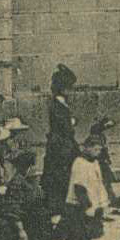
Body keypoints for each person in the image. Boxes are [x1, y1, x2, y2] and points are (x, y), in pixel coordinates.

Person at [63, 134, 108, 240]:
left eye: (99, 150)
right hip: (81, 204)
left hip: (94, 201)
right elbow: (79, 186)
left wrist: (101, 200)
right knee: (81, 232)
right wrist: (87, 206)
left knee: (91, 231)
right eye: (95, 149)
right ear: (87, 148)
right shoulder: (80, 163)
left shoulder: (94, 162)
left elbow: (98, 181)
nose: (98, 152)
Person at [40, 66, 78, 216]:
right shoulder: (57, 104)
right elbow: (64, 125)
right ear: (62, 88)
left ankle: (62, 203)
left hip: (62, 142)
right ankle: (56, 205)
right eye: (69, 88)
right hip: (60, 144)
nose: (71, 91)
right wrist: (72, 122)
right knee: (59, 173)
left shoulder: (61, 103)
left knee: (63, 172)